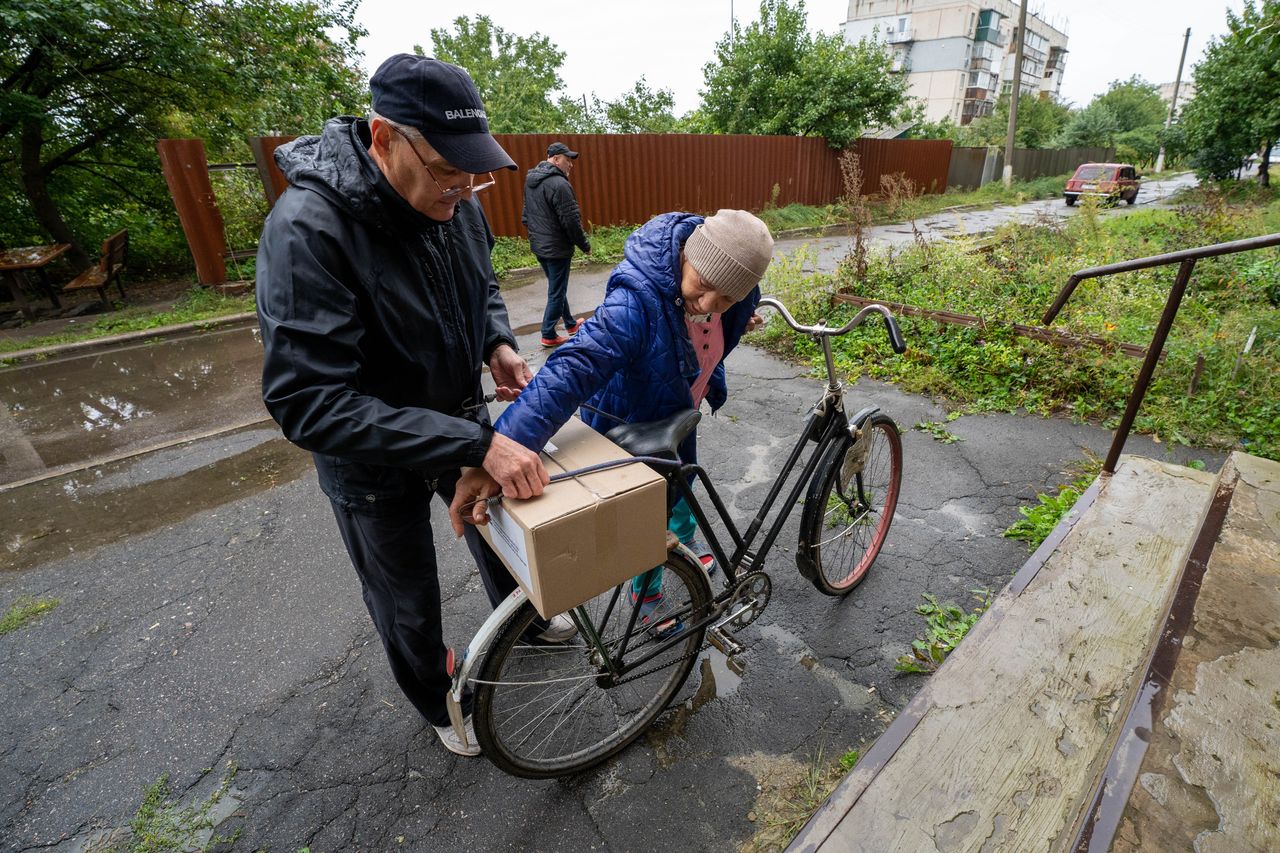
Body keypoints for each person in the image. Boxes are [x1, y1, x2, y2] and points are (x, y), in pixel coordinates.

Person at [255, 54, 572, 759]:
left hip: (460, 411)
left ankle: (524, 615)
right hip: (371, 456)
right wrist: (472, 445)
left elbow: (481, 279)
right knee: (405, 593)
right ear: (381, 138)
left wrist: (495, 341)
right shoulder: (308, 229)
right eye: (445, 173)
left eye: (472, 175)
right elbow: (307, 402)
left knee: (499, 529)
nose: (461, 190)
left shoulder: (455, 193)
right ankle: (439, 696)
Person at [449, 209, 772, 630]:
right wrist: (500, 447)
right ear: (687, 257)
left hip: (678, 408)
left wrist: (735, 317)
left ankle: (685, 543)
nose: (709, 304)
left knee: (684, 481)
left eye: (726, 298)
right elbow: (572, 369)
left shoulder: (733, 292)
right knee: (651, 509)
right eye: (705, 286)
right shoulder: (637, 301)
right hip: (634, 422)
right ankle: (647, 593)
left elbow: (717, 317)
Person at [522, 141, 592, 348]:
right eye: (567, 159)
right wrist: (584, 245)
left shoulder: (531, 180)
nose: (571, 164)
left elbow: (526, 216)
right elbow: (570, 220)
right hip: (556, 248)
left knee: (557, 287)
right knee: (557, 291)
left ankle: (570, 324)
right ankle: (548, 333)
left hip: (539, 245)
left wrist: (538, 234)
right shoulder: (559, 184)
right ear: (555, 159)